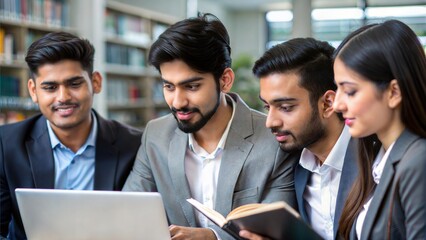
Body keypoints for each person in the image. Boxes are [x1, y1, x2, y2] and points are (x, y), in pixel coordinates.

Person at [122, 13, 299, 240]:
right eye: (168, 86)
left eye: (192, 86)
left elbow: (277, 233)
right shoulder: (155, 135)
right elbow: (129, 212)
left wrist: (213, 237)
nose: (177, 102)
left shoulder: (274, 137)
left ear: (225, 80)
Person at [0, 32, 142, 239]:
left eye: (74, 84)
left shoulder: (134, 145)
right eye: (50, 87)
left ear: (96, 82)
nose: (63, 97)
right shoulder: (6, 144)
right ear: (33, 91)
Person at [239, 38, 358, 240]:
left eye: (285, 108)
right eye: (267, 107)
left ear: (328, 104)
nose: (270, 122)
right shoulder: (294, 165)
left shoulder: (375, 160)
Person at [333, 20, 426, 240]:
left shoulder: (418, 162)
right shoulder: (375, 159)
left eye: (350, 91)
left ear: (394, 92)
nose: (337, 105)